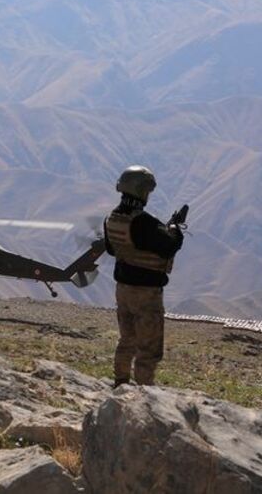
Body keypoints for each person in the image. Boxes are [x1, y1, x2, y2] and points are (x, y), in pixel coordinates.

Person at [103, 165, 184, 388]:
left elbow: (111, 249)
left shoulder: (112, 218)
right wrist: (175, 229)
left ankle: (120, 381)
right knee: (148, 348)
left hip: (123, 290)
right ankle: (145, 393)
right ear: (141, 191)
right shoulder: (144, 222)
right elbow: (169, 246)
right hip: (146, 293)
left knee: (127, 339)